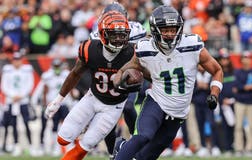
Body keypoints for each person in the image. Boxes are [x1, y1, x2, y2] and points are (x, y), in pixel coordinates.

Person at [112, 5, 223, 160]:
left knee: (147, 156)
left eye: (173, 29)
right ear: (156, 30)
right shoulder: (145, 48)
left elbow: (217, 70)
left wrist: (214, 94)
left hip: (179, 111)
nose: (170, 34)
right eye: (165, 30)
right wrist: (118, 78)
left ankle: (122, 147)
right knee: (143, 136)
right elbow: (130, 66)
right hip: (156, 101)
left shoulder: (192, 45)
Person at [44, 10, 138, 160]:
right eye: (114, 34)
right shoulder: (90, 49)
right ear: (102, 33)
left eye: (122, 34)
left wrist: (138, 84)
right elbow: (75, 73)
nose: (119, 39)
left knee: (85, 146)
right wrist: (58, 100)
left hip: (113, 107)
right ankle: (89, 124)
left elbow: (149, 75)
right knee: (63, 138)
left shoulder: (133, 52)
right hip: (92, 98)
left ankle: (119, 147)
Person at [87, 2, 147, 158]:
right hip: (110, 76)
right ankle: (113, 151)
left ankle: (138, 143)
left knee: (128, 107)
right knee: (108, 118)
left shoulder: (137, 29)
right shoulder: (96, 34)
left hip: (130, 74)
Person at [1, 52, 35, 156]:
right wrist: (13, 95)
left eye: (18, 59)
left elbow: (30, 84)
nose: (17, 62)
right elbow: (3, 85)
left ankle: (31, 146)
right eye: (15, 59)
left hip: (23, 100)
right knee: (13, 124)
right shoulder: (7, 71)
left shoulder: (27, 70)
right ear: (12, 60)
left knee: (26, 123)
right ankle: (16, 145)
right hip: (11, 101)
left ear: (21, 60)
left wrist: (21, 95)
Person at [39, 58, 71, 156]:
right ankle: (56, 147)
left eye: (58, 66)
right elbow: (45, 91)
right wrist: (44, 104)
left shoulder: (66, 74)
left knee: (67, 124)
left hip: (64, 103)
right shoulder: (48, 76)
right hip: (53, 104)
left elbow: (71, 87)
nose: (57, 68)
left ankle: (69, 145)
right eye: (55, 66)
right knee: (55, 124)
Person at [233, 51, 252, 156]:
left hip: (251, 102)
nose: (247, 60)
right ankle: (239, 149)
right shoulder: (238, 72)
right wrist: (249, 87)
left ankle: (250, 148)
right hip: (239, 102)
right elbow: (236, 87)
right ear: (242, 60)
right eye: (245, 57)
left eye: (248, 58)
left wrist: (243, 87)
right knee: (238, 126)